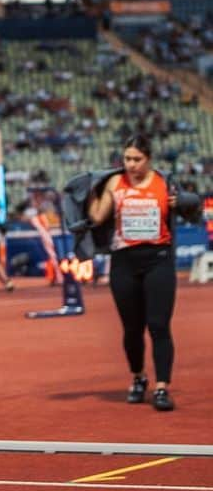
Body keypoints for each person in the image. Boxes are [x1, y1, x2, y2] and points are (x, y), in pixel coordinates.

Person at [86, 133, 179, 411]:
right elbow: (98, 217)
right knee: (132, 329)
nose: (131, 164)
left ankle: (162, 387)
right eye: (127, 158)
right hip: (124, 262)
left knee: (159, 325)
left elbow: (188, 211)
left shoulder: (164, 183)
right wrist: (89, 193)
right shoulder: (115, 182)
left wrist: (182, 204)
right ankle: (138, 378)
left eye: (137, 159)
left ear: (148, 159)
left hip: (158, 259)